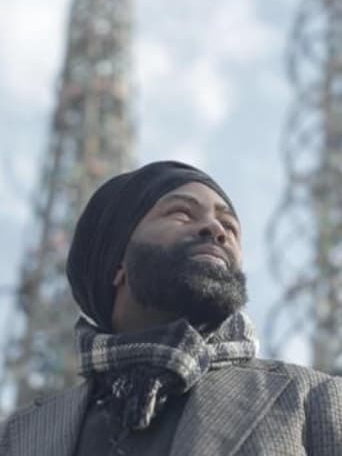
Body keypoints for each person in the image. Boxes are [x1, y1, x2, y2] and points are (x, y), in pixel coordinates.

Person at [1, 160, 342, 456]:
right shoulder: (18, 436)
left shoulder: (311, 400)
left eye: (230, 226)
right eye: (181, 213)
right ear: (116, 263)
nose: (217, 230)